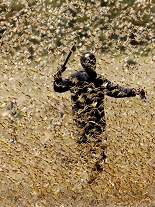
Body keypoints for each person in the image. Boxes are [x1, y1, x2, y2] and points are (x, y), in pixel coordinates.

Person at [53, 51, 145, 182]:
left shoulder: (99, 79)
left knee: (100, 156)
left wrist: (133, 91)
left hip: (98, 124)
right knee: (85, 153)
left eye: (93, 62)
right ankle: (82, 180)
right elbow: (58, 87)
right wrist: (58, 73)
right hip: (82, 123)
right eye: (88, 62)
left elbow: (116, 90)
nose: (91, 64)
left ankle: (91, 181)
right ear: (83, 64)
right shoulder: (75, 78)